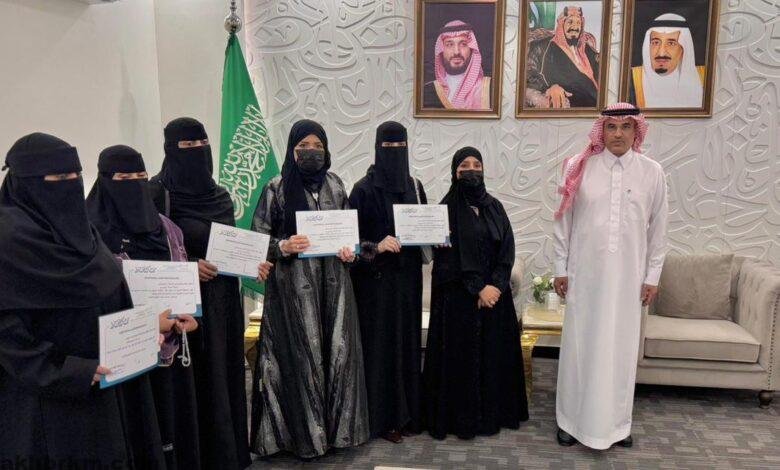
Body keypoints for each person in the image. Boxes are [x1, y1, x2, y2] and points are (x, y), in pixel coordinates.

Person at [0, 133, 167, 468]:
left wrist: (142, 332)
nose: (72, 184)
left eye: (76, 174)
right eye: (60, 177)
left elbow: (110, 294)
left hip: (112, 388)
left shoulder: (82, 234)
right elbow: (7, 336)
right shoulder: (9, 244)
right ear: (25, 184)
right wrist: (71, 372)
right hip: (49, 406)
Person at [250, 119, 369, 458]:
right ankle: (302, 438)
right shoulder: (276, 187)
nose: (311, 152)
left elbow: (350, 235)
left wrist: (350, 251)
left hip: (334, 286)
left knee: (337, 354)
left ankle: (337, 435)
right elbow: (256, 240)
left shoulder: (336, 184)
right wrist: (283, 246)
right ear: (292, 150)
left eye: (318, 146)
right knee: (299, 358)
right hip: (293, 291)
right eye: (304, 146)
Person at [553, 103, 669, 449]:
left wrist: (652, 276)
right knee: (579, 347)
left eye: (626, 127)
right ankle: (570, 422)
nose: (618, 134)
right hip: (584, 276)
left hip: (628, 280)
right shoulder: (578, 167)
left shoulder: (652, 172)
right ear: (601, 131)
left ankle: (617, 426)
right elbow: (563, 222)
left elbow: (659, 229)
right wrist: (560, 268)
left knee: (621, 350)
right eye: (611, 127)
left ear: (636, 131)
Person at [86, 144, 201, 469]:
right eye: (124, 178)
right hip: (121, 358)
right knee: (137, 434)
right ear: (104, 180)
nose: (135, 184)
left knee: (170, 430)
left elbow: (180, 278)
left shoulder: (166, 228)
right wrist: (147, 324)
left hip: (170, 352)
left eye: (141, 175)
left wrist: (189, 317)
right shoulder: (89, 234)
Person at [150, 117, 252, 469]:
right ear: (170, 149)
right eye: (187, 145)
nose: (197, 150)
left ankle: (227, 453)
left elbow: (234, 245)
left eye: (202, 143)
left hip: (222, 299)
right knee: (193, 377)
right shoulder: (156, 195)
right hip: (184, 303)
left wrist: (253, 262)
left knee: (222, 372)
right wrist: (189, 265)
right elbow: (150, 252)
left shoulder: (220, 194)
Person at [422, 146, 528, 440]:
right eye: (464, 166)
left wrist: (495, 285)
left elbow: (507, 249)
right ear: (454, 172)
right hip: (459, 301)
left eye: (476, 165)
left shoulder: (495, 207)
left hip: (494, 299)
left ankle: (494, 415)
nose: (471, 170)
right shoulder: (443, 211)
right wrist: (477, 288)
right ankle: (462, 420)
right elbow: (447, 259)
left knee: (493, 356)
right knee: (462, 361)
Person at [349, 121, 426, 443]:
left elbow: (424, 226)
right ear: (377, 147)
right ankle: (384, 419)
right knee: (381, 347)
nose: (394, 152)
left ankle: (409, 414)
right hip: (376, 284)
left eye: (400, 146)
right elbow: (349, 244)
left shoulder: (415, 186)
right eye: (388, 146)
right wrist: (376, 246)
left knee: (407, 343)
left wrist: (438, 236)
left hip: (408, 280)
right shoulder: (362, 190)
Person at [526, 6, 600, 108]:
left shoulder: (587, 49)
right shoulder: (543, 47)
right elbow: (531, 77)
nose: (575, 27)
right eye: (570, 22)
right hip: (572, 106)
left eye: (578, 23)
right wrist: (550, 88)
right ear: (561, 24)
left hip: (597, 106)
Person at [629, 13, 705, 108]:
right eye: (655, 42)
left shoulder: (704, 77)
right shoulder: (632, 79)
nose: (661, 53)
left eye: (671, 43)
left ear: (683, 48)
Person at [423, 20, 492, 110]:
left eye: (463, 44)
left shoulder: (489, 88)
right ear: (441, 50)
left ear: (471, 49)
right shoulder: (427, 91)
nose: (456, 52)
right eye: (449, 44)